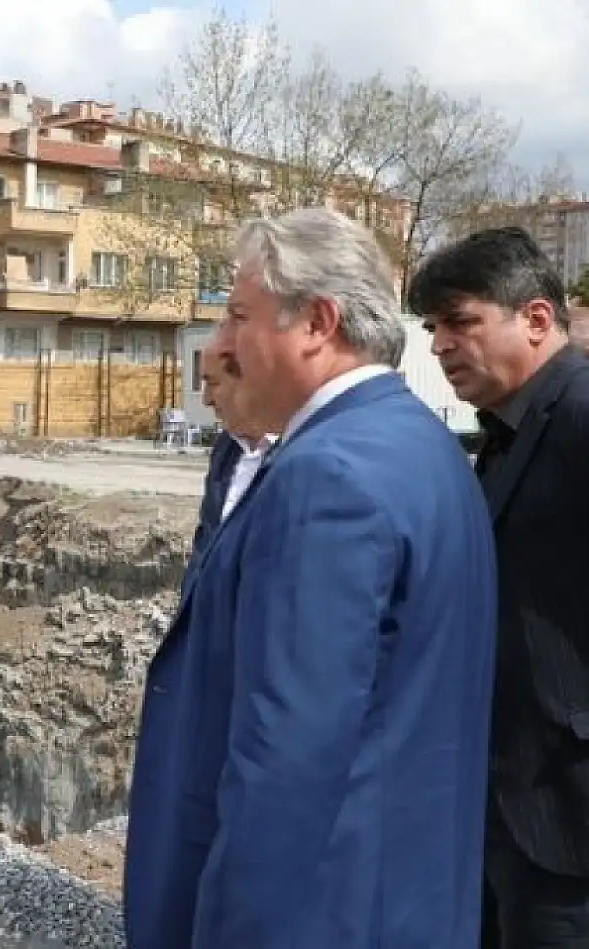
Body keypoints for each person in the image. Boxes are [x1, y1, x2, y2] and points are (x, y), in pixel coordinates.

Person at [124, 207, 498, 949]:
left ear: (317, 323)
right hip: (403, 900)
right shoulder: (420, 443)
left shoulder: (327, 476)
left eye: (237, 316)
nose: (222, 344)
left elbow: (285, 764)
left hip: (324, 912)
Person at [411, 226, 589, 949]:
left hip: (570, 824)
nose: (439, 345)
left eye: (461, 321)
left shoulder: (580, 418)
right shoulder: (508, 429)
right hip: (505, 810)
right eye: (431, 327)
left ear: (537, 319)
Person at [191, 349, 276, 554]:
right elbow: (206, 542)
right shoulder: (227, 448)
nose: (206, 399)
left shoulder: (296, 451)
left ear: (249, 382)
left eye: (213, 383)